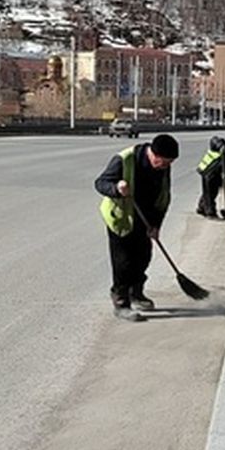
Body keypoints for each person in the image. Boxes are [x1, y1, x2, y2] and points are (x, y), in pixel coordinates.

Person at [94, 133, 179, 321]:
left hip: (145, 218)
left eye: (169, 163)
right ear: (154, 155)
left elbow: (163, 197)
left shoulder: (163, 166)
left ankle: (136, 294)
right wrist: (117, 188)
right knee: (123, 262)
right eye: (164, 162)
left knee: (143, 257)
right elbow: (100, 183)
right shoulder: (124, 159)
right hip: (121, 218)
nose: (166, 167)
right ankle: (121, 302)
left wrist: (156, 225)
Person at [195, 135, 225, 218]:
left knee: (210, 192)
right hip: (209, 172)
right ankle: (210, 212)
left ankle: (202, 207)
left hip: (214, 174)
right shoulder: (223, 146)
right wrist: (221, 146)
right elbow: (213, 139)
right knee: (210, 193)